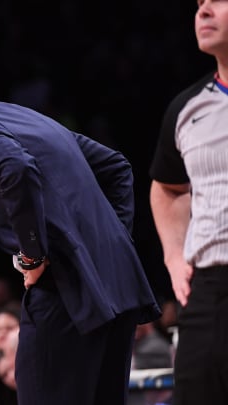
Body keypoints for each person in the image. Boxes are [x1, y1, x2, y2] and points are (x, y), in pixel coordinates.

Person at [0, 50, 162, 405]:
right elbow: (117, 168)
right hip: (118, 287)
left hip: (67, 290)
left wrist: (32, 255)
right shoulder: (26, 119)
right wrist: (110, 245)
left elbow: (17, 171)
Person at [148, 0, 228, 403]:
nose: (203, 11)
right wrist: (174, 257)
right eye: (199, 4)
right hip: (210, 290)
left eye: (217, 1)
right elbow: (167, 187)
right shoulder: (186, 107)